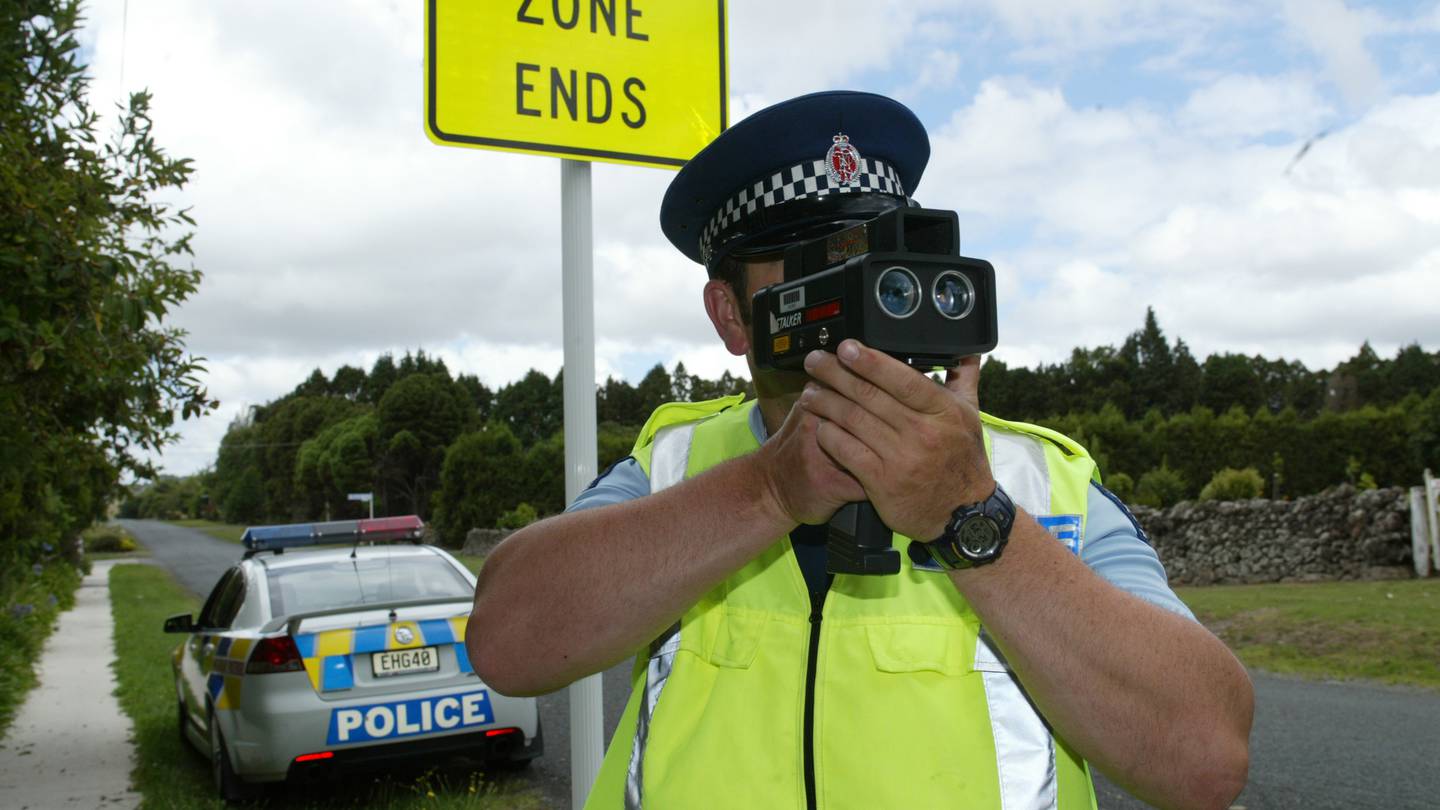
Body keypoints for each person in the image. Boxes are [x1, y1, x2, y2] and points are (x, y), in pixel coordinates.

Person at [467, 91, 1253, 810]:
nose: (855, 281)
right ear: (731, 315)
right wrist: (770, 491)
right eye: (809, 258)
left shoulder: (1035, 480)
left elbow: (1206, 760)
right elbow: (507, 643)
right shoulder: (675, 465)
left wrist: (970, 515)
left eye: (876, 248)